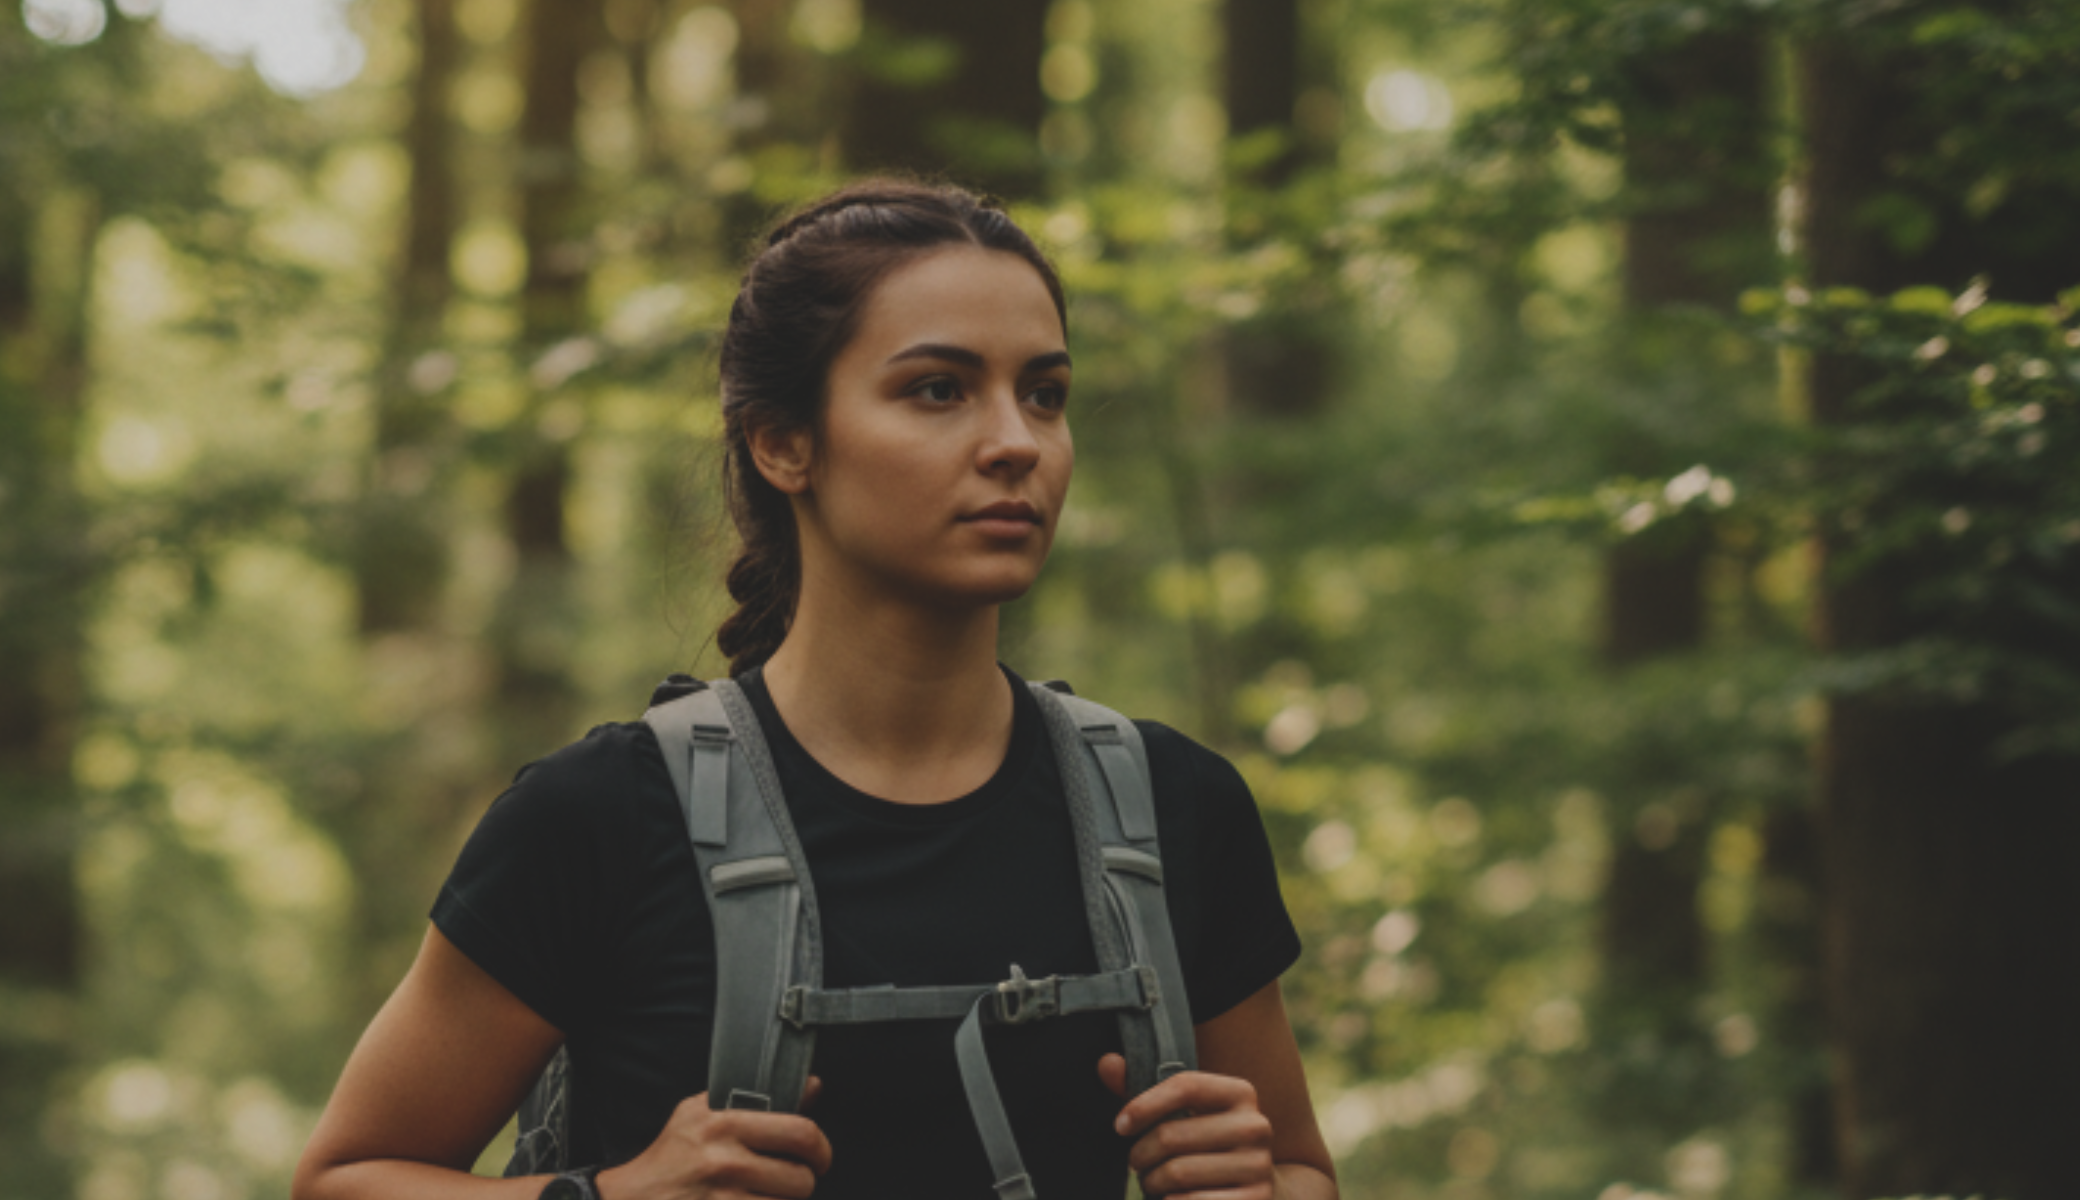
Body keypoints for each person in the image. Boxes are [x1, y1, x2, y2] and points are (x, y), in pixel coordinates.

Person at [293, 179, 1335, 1200]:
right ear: (783, 443)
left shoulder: (1170, 810)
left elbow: (1298, 1172)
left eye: (1044, 393)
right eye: (938, 388)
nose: (1016, 442)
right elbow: (341, 1179)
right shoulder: (597, 818)